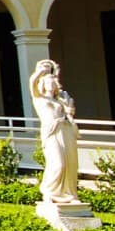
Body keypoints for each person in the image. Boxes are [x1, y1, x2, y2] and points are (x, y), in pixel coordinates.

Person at [30, 59, 81, 204]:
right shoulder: (39, 99)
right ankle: (49, 191)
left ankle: (69, 194)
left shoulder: (60, 100)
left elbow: (69, 113)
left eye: (53, 82)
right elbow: (32, 83)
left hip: (65, 130)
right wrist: (40, 71)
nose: (51, 84)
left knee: (69, 164)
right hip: (51, 132)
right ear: (43, 84)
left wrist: (69, 111)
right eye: (48, 82)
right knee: (58, 164)